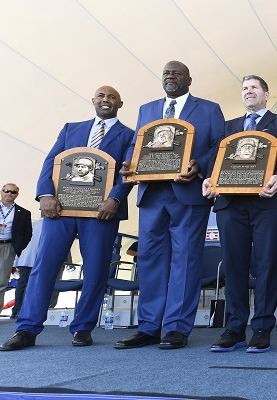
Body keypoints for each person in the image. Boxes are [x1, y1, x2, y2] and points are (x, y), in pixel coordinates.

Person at [0, 86, 134, 351]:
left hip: (101, 212)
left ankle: (83, 328)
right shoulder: (70, 128)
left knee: (96, 270)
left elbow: (127, 172)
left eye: (111, 97)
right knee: (43, 266)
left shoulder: (129, 135)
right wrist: (45, 195)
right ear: (93, 100)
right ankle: (26, 329)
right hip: (59, 209)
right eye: (101, 95)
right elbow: (50, 162)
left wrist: (116, 198)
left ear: (120, 103)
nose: (105, 100)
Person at [115, 60, 225, 350]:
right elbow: (136, 145)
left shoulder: (209, 108)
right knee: (149, 260)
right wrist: (129, 165)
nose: (170, 76)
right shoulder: (146, 109)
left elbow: (219, 144)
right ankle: (149, 326)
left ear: (190, 79)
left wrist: (200, 165)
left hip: (187, 193)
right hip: (152, 194)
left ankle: (176, 327)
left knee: (185, 260)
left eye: (177, 73)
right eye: (166, 73)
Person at [204, 75, 277, 353]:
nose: (249, 92)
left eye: (254, 87)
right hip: (231, 204)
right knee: (234, 266)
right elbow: (215, 160)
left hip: (268, 202)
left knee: (268, 264)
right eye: (245, 88)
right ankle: (234, 328)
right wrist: (209, 179)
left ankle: (261, 328)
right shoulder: (228, 126)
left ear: (266, 95)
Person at [0, 183, 32, 321]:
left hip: (7, 246)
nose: (9, 194)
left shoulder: (23, 213)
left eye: (13, 192)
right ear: (1, 192)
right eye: (6, 191)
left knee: (1, 282)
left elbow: (27, 233)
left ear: (17, 194)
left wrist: (17, 248)